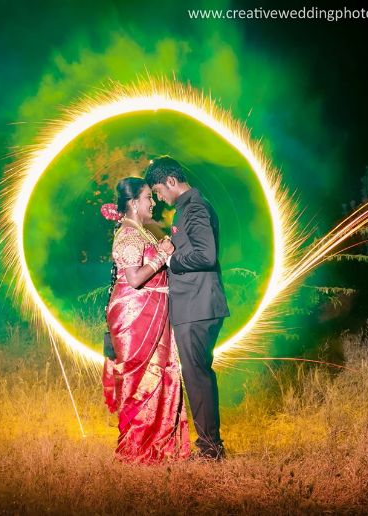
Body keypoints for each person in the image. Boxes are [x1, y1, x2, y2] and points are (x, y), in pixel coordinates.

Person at [145, 156, 230, 460]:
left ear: (170, 181)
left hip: (197, 305)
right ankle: (210, 446)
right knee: (198, 374)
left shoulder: (193, 207)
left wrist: (171, 261)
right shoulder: (188, 208)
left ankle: (210, 449)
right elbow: (196, 248)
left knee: (197, 376)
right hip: (198, 304)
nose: (159, 198)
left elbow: (206, 255)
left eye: (158, 191)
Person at [101, 177, 190, 464]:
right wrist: (162, 256)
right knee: (140, 379)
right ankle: (137, 445)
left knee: (162, 372)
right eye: (147, 198)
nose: (153, 202)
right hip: (135, 314)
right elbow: (134, 278)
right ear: (133, 203)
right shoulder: (128, 235)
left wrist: (161, 248)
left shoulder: (142, 231)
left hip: (153, 310)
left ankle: (159, 443)